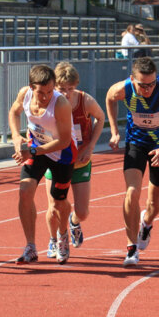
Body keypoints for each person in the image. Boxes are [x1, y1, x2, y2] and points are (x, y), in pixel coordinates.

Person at [106, 57, 159, 267]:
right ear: (133, 79)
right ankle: (131, 248)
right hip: (136, 143)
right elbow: (109, 97)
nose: (148, 89)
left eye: (151, 84)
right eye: (143, 85)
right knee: (132, 192)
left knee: (155, 203)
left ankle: (146, 222)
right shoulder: (124, 89)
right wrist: (115, 131)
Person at [8, 64, 77, 265]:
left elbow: (64, 141)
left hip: (62, 154)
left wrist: (33, 150)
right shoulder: (25, 94)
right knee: (25, 191)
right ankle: (30, 245)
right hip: (36, 147)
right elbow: (14, 112)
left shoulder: (61, 104)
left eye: (50, 91)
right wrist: (15, 136)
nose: (45, 96)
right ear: (31, 87)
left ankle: (63, 235)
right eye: (41, 92)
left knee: (57, 204)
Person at [44, 62, 105, 259]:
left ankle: (74, 222)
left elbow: (101, 117)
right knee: (53, 206)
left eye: (71, 88)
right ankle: (54, 240)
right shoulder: (48, 101)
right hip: (56, 160)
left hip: (79, 162)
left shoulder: (84, 100)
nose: (67, 93)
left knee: (83, 211)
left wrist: (90, 146)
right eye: (62, 89)